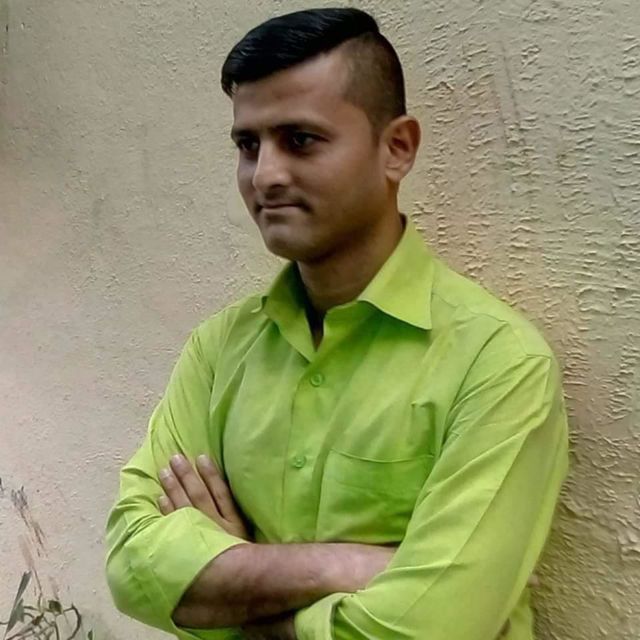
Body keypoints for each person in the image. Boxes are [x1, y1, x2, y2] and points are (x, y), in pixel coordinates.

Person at [105, 8, 568, 640]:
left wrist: (234, 588)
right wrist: (342, 565)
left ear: (397, 149)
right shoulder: (220, 349)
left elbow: (429, 628)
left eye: (300, 140)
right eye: (247, 145)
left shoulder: (497, 363)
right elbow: (132, 564)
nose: (265, 175)